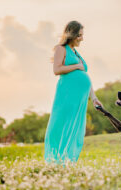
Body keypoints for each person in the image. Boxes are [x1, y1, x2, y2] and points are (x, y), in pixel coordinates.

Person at [44, 20, 103, 166]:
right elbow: (57, 70)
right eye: (79, 35)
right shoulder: (61, 49)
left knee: (76, 129)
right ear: (72, 34)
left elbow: (85, 77)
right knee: (62, 125)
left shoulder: (76, 52)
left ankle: (68, 161)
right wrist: (77, 66)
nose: (82, 39)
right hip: (67, 96)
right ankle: (56, 161)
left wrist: (94, 97)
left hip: (79, 100)